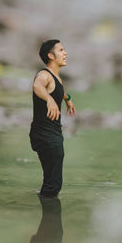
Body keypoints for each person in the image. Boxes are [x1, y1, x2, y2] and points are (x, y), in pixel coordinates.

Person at [30, 39, 76, 197]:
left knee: (53, 182)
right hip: (45, 135)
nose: (65, 53)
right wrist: (49, 100)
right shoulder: (44, 75)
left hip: (52, 134)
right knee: (53, 184)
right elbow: (37, 86)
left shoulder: (57, 78)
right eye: (61, 50)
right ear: (51, 55)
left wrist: (67, 99)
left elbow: (58, 91)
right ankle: (50, 216)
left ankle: (48, 215)